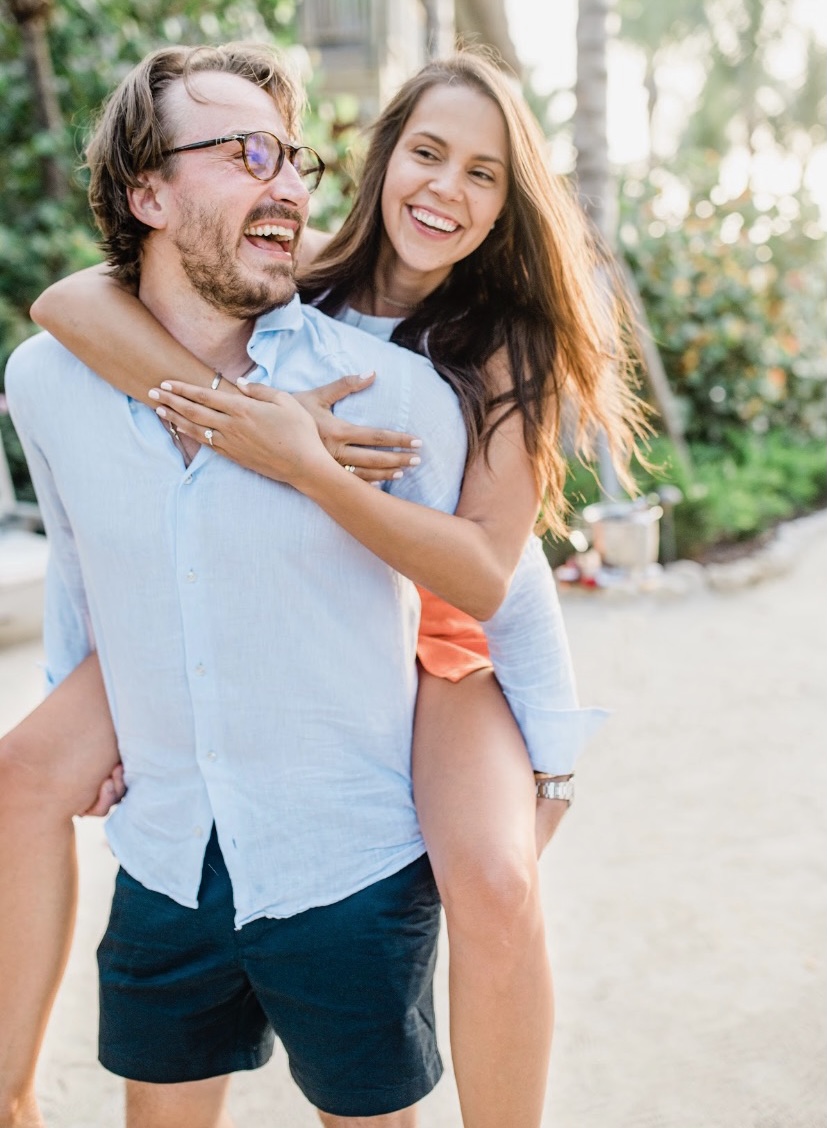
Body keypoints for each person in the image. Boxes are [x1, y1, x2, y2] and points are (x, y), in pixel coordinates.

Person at [2, 46, 646, 1128]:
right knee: (25, 770)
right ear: (379, 158)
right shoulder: (294, 270)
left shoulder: (498, 344)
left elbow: (499, 578)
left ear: (509, 202)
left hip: (440, 622)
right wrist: (244, 421)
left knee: (494, 881)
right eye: (427, 153)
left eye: (482, 173)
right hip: (265, 588)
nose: (445, 188)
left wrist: (552, 753)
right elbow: (70, 302)